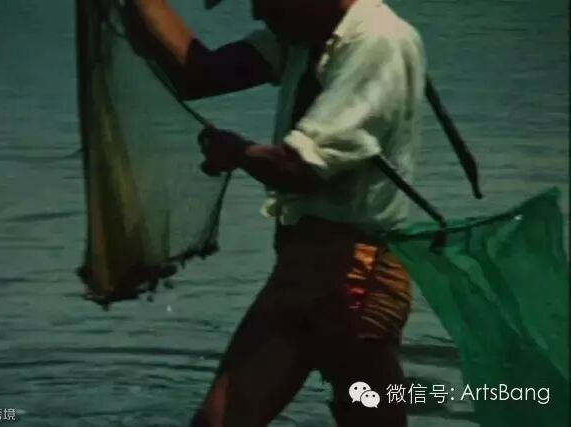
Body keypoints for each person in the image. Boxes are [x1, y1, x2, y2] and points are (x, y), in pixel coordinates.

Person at [133, 0, 426, 425]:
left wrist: (239, 152)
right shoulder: (304, 36)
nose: (257, 13)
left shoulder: (376, 41)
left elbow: (301, 170)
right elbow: (199, 74)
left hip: (354, 275)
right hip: (301, 266)